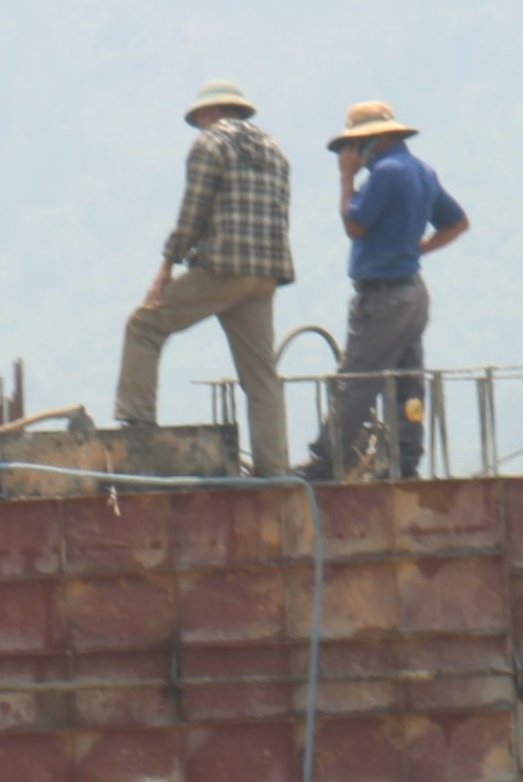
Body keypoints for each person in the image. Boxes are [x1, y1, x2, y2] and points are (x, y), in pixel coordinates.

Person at [116, 80, 292, 475]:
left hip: (223, 267)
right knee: (260, 375)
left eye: (199, 120)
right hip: (265, 274)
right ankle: (274, 468)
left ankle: (137, 428)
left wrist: (166, 267)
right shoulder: (275, 151)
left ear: (210, 114)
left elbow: (193, 213)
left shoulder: (210, 145)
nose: (199, 126)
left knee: (143, 326)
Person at [305, 100, 468, 481]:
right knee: (406, 378)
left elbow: (355, 226)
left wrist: (346, 179)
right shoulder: (421, 171)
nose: (349, 155)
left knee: (358, 379)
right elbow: (457, 222)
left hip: (382, 296)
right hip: (412, 291)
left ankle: (327, 461)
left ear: (370, 142)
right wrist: (418, 249)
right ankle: (403, 459)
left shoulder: (385, 173)